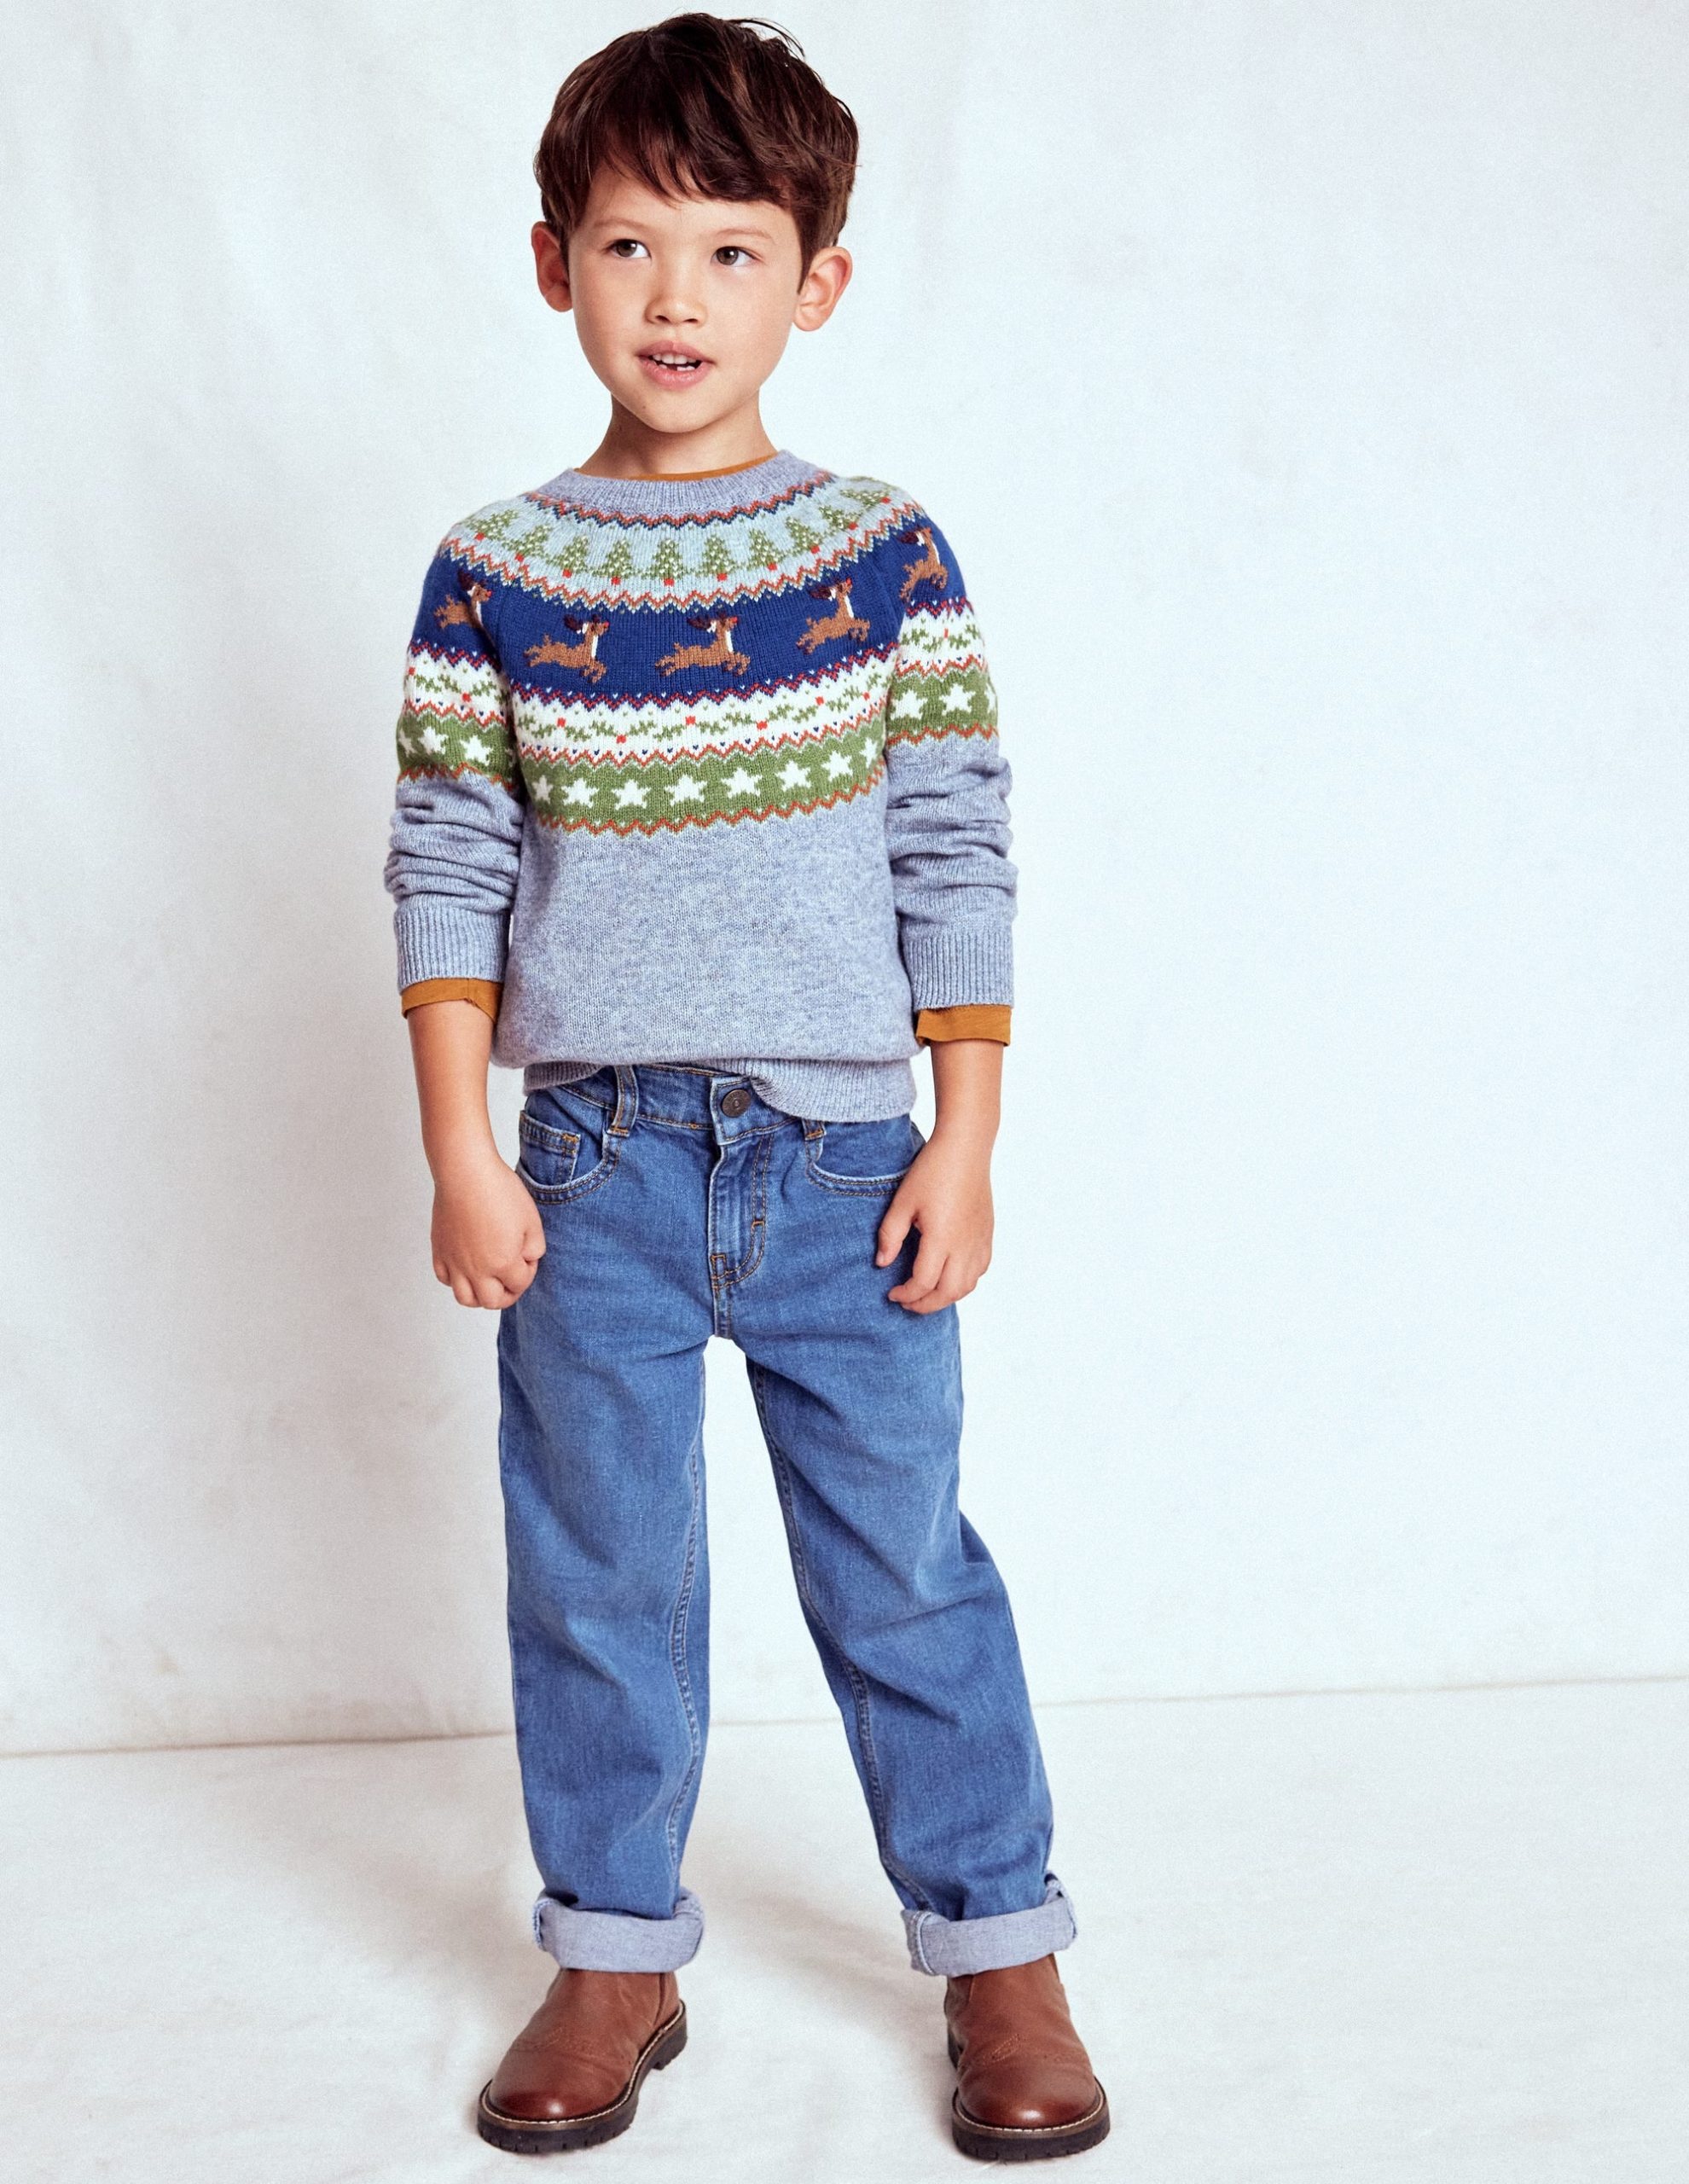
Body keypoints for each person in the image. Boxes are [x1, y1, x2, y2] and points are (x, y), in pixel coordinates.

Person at [383, 14, 1106, 2162]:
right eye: (629, 244)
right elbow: (447, 858)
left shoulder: (882, 554)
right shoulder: (498, 571)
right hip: (588, 1165)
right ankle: (616, 1945)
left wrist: (966, 1132)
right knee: (599, 1575)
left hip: (844, 1161)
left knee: (903, 1567)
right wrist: (459, 1144)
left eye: (731, 248)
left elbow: (955, 848)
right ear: (553, 266)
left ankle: (1002, 1946)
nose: (676, 296)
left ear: (819, 279)